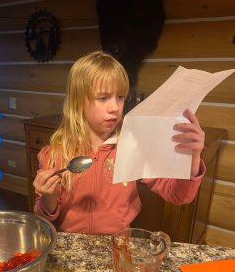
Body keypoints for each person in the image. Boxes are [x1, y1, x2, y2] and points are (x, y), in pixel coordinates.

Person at [33, 51, 205, 234]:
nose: (115, 108)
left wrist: (193, 158)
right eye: (103, 98)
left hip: (118, 245)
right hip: (72, 246)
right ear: (77, 102)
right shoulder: (54, 154)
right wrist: (48, 197)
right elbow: (43, 218)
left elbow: (177, 196)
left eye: (120, 97)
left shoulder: (132, 148)